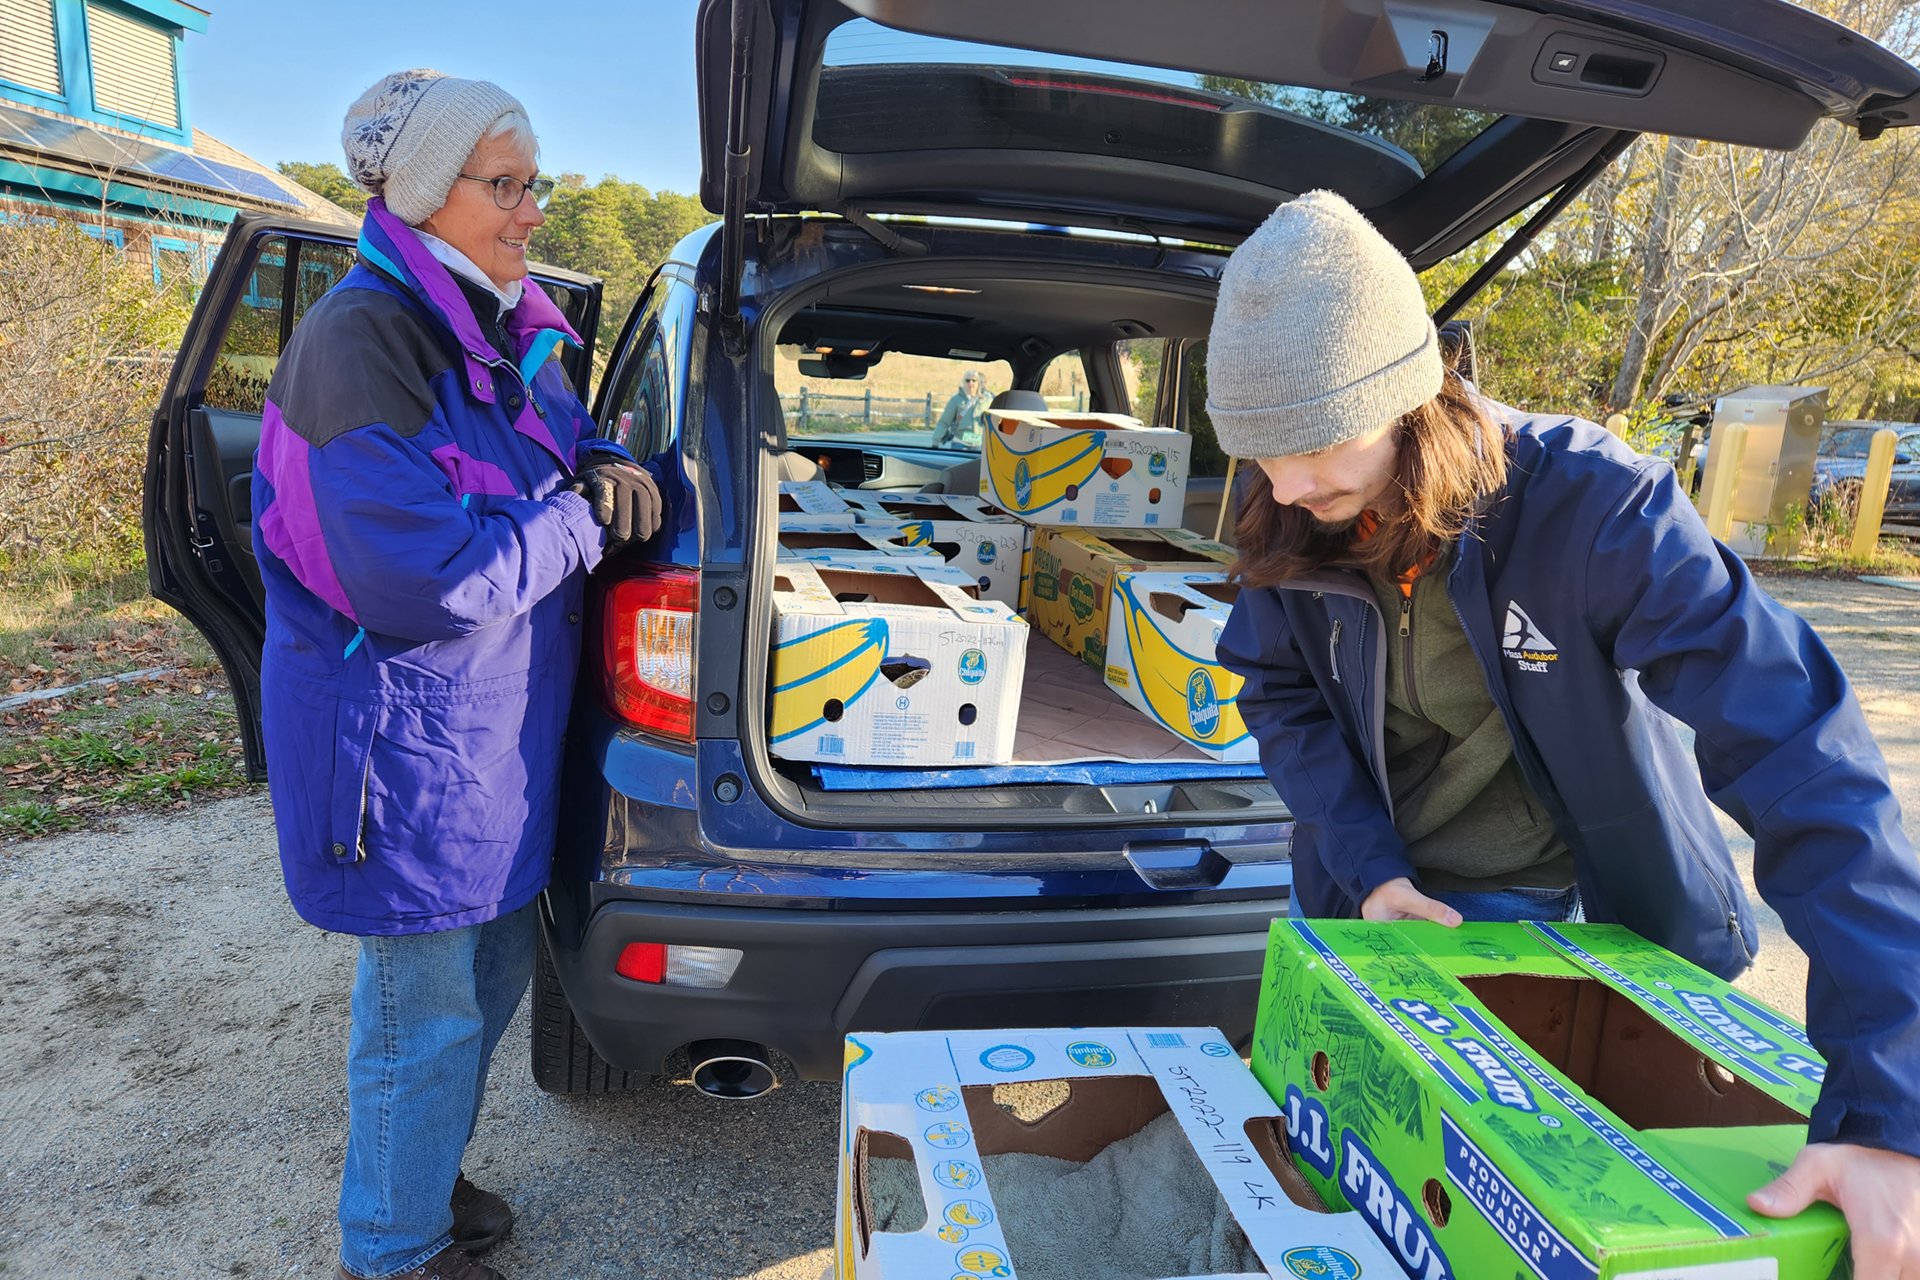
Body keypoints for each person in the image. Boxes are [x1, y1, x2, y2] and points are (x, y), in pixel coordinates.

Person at [1208, 191, 1920, 1272]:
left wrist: (1890, 1106)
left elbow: (1801, 750)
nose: (1291, 487)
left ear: (1410, 396)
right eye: (1260, 457)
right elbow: (1278, 688)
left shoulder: (1597, 507)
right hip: (1381, 897)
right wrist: (1365, 868)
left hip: (1574, 915)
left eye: (1317, 446)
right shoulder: (1293, 508)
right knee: (1348, 1185)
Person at [251, 70, 661, 1280]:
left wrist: (599, 452)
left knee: (481, 987)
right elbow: (416, 581)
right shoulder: (362, 340)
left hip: (488, 738)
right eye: (506, 184)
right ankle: (391, 1247)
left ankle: (417, 1173)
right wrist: (585, 523)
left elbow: (547, 443)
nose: (533, 208)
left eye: (536, 182)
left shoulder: (501, 317)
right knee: (418, 1013)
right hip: (402, 740)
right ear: (428, 193)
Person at [933, 369, 991, 448]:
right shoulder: (956, 400)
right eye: (967, 380)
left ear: (978, 383)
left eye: (974, 380)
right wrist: (935, 442)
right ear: (963, 383)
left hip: (979, 445)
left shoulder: (986, 400)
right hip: (959, 443)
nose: (971, 383)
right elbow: (944, 422)